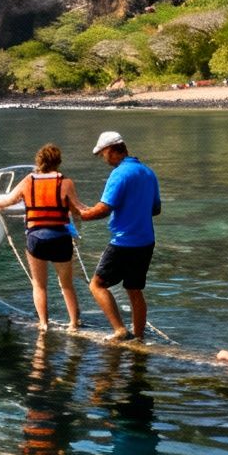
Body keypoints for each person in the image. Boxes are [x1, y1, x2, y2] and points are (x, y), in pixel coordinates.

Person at [75, 131, 160, 341]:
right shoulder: (148, 172)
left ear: (112, 150)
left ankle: (119, 329)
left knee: (97, 284)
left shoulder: (119, 174)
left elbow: (104, 209)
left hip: (124, 241)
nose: (103, 158)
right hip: (146, 241)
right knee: (134, 289)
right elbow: (156, 209)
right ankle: (139, 337)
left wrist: (80, 215)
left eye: (103, 153)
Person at [0, 144, 84, 330]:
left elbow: (6, 202)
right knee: (66, 285)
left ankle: (43, 323)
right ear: (58, 162)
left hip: (36, 239)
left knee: (39, 285)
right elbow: (77, 209)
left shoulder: (28, 181)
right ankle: (73, 323)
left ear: (38, 161)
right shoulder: (66, 183)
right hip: (60, 239)